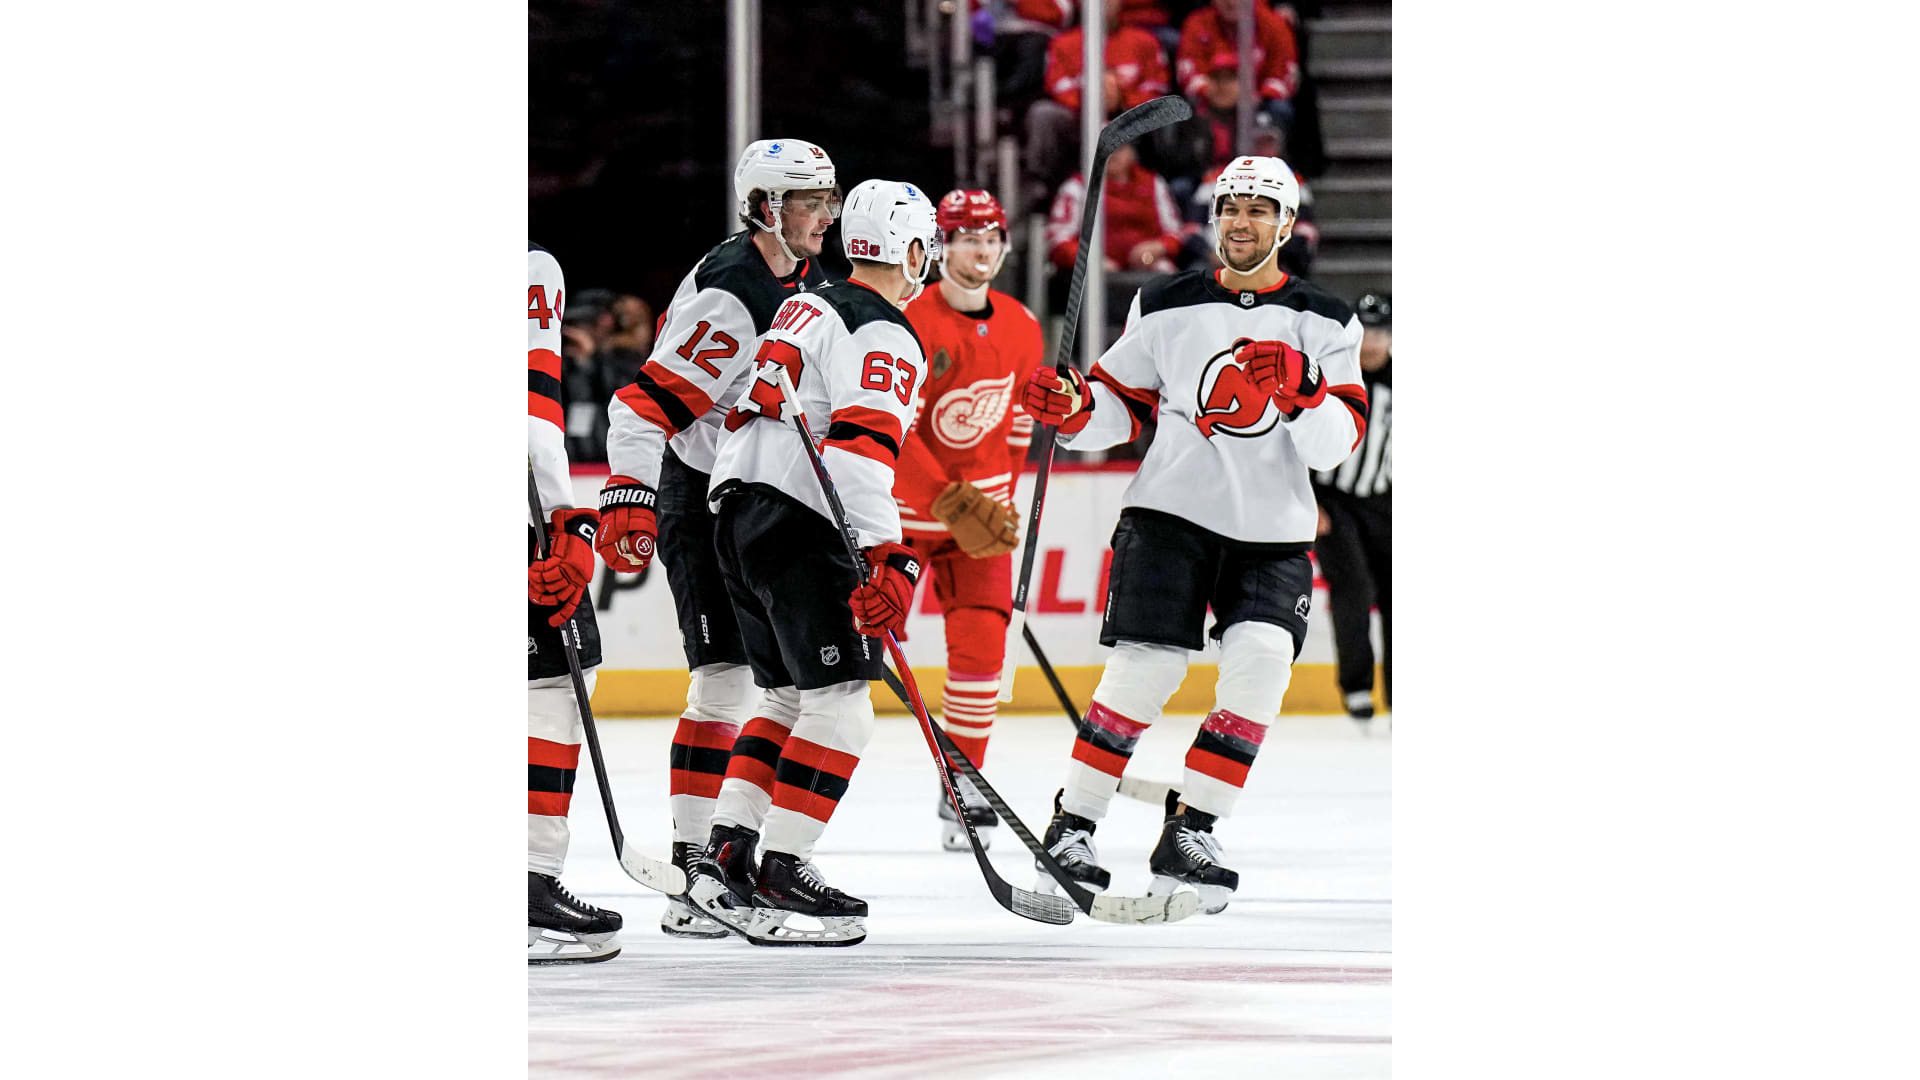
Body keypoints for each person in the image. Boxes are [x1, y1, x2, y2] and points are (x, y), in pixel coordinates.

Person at [1019, 155, 1369, 914]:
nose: (1242, 222)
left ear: (1287, 224)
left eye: (1259, 210)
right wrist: (1074, 411)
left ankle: (1193, 830)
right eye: (1231, 207)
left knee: (1262, 667)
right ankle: (1071, 828)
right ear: (1214, 217)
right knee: (1141, 674)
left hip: (1272, 532)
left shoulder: (1326, 319)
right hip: (1169, 516)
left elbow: (1333, 446)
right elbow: (1120, 406)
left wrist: (1305, 391)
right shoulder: (1163, 301)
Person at [596, 139, 839, 938]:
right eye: (809, 201)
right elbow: (641, 407)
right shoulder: (735, 294)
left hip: (752, 500)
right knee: (726, 685)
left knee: (781, 689)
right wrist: (628, 494)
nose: (825, 216)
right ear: (766, 206)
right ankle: (693, 871)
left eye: (829, 199)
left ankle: (723, 863)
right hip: (700, 496)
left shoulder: (800, 279)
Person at [690, 178, 938, 947]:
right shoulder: (883, 327)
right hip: (802, 518)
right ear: (912, 250)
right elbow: (859, 453)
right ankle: (784, 868)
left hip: (738, 512)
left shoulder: (806, 304)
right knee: (841, 705)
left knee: (782, 700)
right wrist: (887, 554)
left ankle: (725, 859)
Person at [895, 189, 1043, 852]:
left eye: (990, 238)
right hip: (901, 517)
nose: (980, 250)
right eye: (966, 238)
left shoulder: (1022, 325)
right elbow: (891, 429)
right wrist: (947, 498)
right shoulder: (909, 320)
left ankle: (963, 783)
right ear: (940, 248)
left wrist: (999, 498)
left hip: (979, 523)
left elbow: (1017, 426)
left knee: (983, 654)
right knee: (850, 661)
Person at [526, 242, 623, 963]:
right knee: (553, 688)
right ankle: (529, 883)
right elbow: (532, 408)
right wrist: (564, 517)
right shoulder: (532, 268)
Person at [1312, 290, 1390, 726]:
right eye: (1367, 333)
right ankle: (1357, 687)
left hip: (1386, 502)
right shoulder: (1333, 375)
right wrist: (1310, 499)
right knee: (1354, 589)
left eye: (1382, 333)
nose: (1373, 343)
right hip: (1334, 500)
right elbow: (1299, 431)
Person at [1024, 0, 1173, 195]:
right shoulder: (1063, 43)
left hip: (1130, 120)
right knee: (1044, 113)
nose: (1104, 4)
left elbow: (1157, 83)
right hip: (1079, 118)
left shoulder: (1145, 41)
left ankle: (1157, 183)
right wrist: (1090, 100)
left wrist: (1122, 99)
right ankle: (1043, 186)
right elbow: (1057, 85)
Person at [1046, 142, 1191, 275]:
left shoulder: (1153, 183)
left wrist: (1158, 247)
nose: (1112, 154)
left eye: (1119, 148)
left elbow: (1176, 232)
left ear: (1131, 152)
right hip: (1094, 272)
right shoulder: (1077, 187)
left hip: (1147, 265)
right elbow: (1058, 240)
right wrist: (1092, 261)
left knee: (1168, 276)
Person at [1176, 0, 1302, 137]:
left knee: (1280, 108)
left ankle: (1267, 150)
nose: (1230, 2)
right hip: (1211, 98)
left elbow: (1283, 75)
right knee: (1184, 108)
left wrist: (1259, 95)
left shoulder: (1274, 24)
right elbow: (1188, 70)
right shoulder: (1197, 23)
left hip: (1259, 100)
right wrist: (1215, 93)